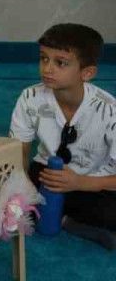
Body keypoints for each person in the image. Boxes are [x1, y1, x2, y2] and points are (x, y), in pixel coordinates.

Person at [10, 23, 116, 250]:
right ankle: (62, 217)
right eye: (44, 58)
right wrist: (24, 188)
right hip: (46, 174)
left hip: (93, 182)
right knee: (2, 194)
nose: (47, 68)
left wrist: (80, 182)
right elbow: (19, 154)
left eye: (61, 63)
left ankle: (66, 220)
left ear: (87, 73)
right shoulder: (30, 97)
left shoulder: (110, 111)